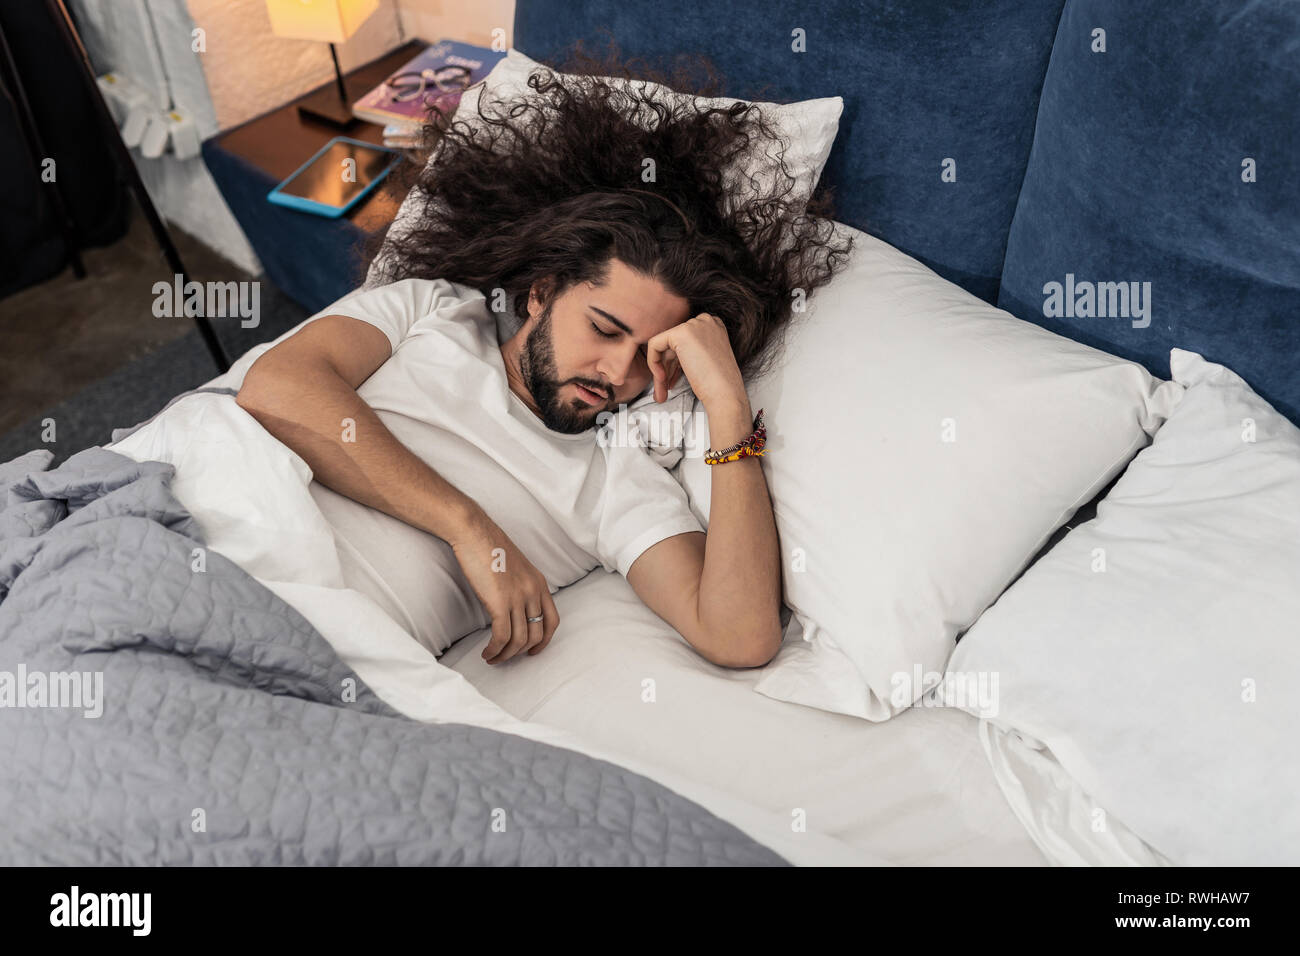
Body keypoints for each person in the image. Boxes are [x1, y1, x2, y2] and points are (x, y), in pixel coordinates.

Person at [235, 52, 853, 669]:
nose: (615, 373)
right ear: (542, 292)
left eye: (647, 355)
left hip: (302, 639)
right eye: (604, 328)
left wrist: (728, 408)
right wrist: (470, 529)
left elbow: (740, 635)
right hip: (213, 507)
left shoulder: (616, 480)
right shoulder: (433, 309)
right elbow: (277, 387)